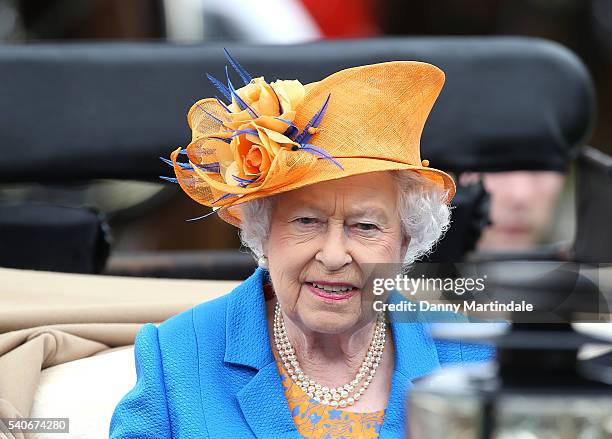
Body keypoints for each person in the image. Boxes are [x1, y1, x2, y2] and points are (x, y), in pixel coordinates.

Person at [109, 52, 494, 438]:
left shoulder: (473, 359)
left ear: (406, 240)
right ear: (263, 231)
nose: (333, 255)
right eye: (306, 222)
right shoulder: (176, 356)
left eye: (365, 226)